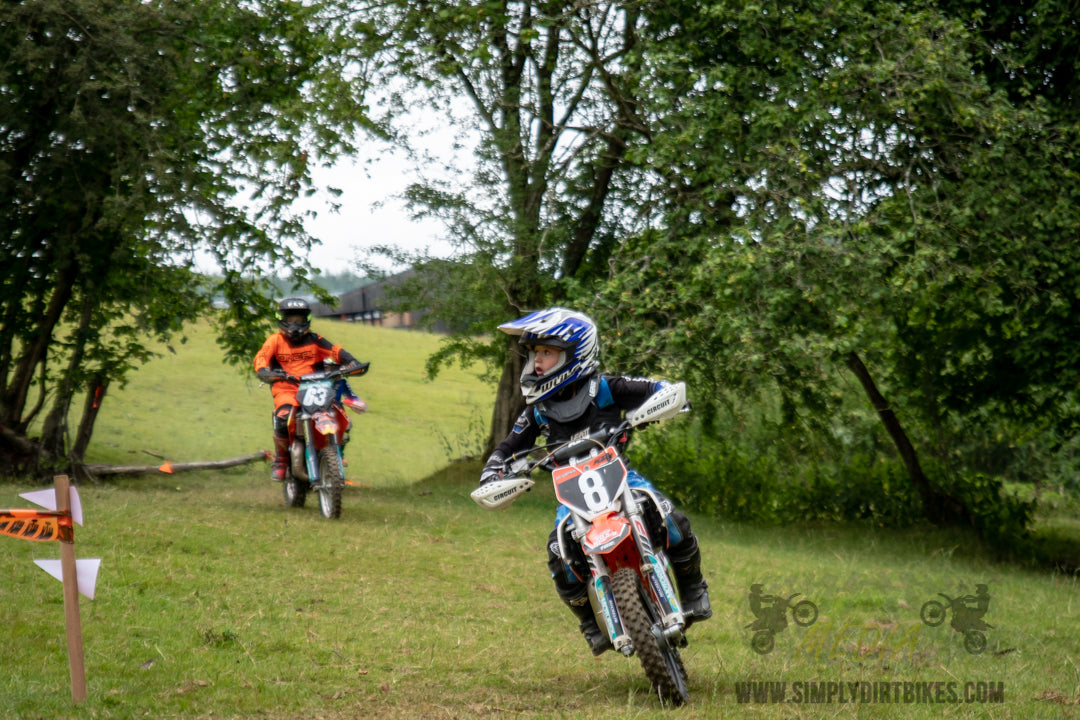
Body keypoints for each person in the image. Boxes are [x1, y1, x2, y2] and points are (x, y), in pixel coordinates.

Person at [478, 307, 712, 655]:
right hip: (570, 496)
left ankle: (693, 589)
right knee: (559, 554)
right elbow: (509, 447)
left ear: (575, 353)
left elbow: (656, 389)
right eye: (535, 354)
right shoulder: (537, 410)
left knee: (669, 517)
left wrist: (668, 400)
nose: (537, 362)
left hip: (621, 478)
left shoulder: (604, 388)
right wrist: (494, 470)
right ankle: (590, 622)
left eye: (547, 352)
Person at [253, 297, 366, 481]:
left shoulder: (315, 340)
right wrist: (265, 371)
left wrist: (351, 362)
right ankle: (281, 459)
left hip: (317, 388)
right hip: (287, 389)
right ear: (281, 319)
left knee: (339, 415)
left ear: (307, 319)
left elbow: (336, 351)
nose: (295, 324)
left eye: (299, 320)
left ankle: (336, 452)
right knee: (283, 416)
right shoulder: (274, 341)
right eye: (291, 320)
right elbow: (261, 359)